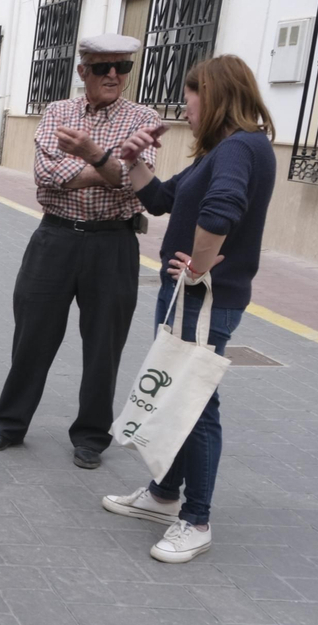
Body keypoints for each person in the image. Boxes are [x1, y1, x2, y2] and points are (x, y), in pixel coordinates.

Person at [101, 55, 276, 563]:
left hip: (203, 297)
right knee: (180, 393)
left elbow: (222, 211)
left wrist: (198, 270)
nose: (186, 105)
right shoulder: (225, 150)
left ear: (216, 94)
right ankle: (162, 495)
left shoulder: (240, 148)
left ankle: (196, 519)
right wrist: (134, 160)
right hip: (192, 294)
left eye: (191, 94)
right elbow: (159, 200)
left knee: (196, 402)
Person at [0, 34, 161, 469]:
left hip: (114, 243)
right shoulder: (57, 112)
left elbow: (139, 178)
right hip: (54, 238)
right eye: (102, 67)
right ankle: (10, 423)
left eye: (122, 67)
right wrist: (107, 166)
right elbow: (45, 174)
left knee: (104, 345)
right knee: (32, 337)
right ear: (84, 72)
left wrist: (91, 157)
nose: (113, 75)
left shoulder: (144, 118)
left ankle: (92, 436)